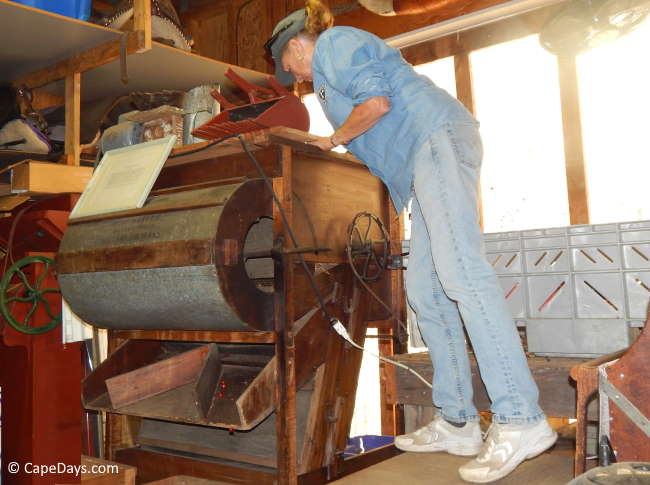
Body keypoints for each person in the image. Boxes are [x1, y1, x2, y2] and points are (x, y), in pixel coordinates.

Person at [264, 1, 558, 483]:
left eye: (289, 65)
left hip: (435, 140)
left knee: (462, 274)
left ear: (298, 45)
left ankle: (521, 418)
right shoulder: (331, 70)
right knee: (427, 292)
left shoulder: (334, 44)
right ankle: (459, 422)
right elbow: (375, 119)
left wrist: (332, 139)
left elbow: (376, 105)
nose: (294, 76)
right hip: (423, 163)